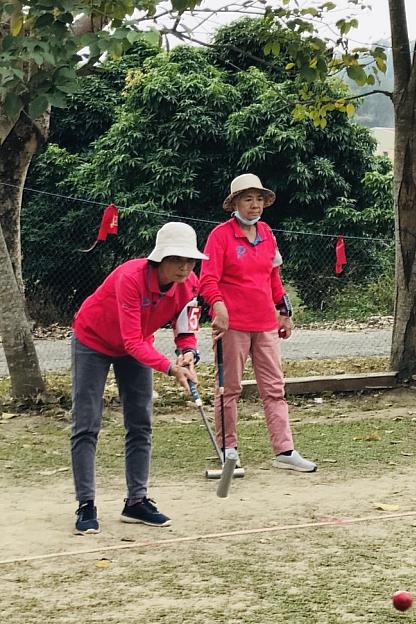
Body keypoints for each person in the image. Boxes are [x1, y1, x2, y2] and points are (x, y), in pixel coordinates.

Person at [71, 222, 207, 534]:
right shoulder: (130, 278)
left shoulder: (190, 283)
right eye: (177, 259)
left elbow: (186, 327)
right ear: (160, 259)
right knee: (87, 423)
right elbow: (130, 341)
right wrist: (171, 369)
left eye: (189, 260)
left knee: (140, 422)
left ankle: (136, 501)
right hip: (93, 340)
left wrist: (188, 352)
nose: (185, 267)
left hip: (137, 345)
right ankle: (86, 504)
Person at [199, 173, 316, 473]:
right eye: (248, 199)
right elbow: (207, 280)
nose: (255, 205)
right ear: (234, 203)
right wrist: (219, 306)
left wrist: (285, 311)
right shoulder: (220, 236)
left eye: (259, 199)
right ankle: (228, 450)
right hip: (232, 326)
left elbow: (273, 277)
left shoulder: (266, 233)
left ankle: (285, 450)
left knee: (274, 388)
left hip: (265, 324)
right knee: (229, 389)